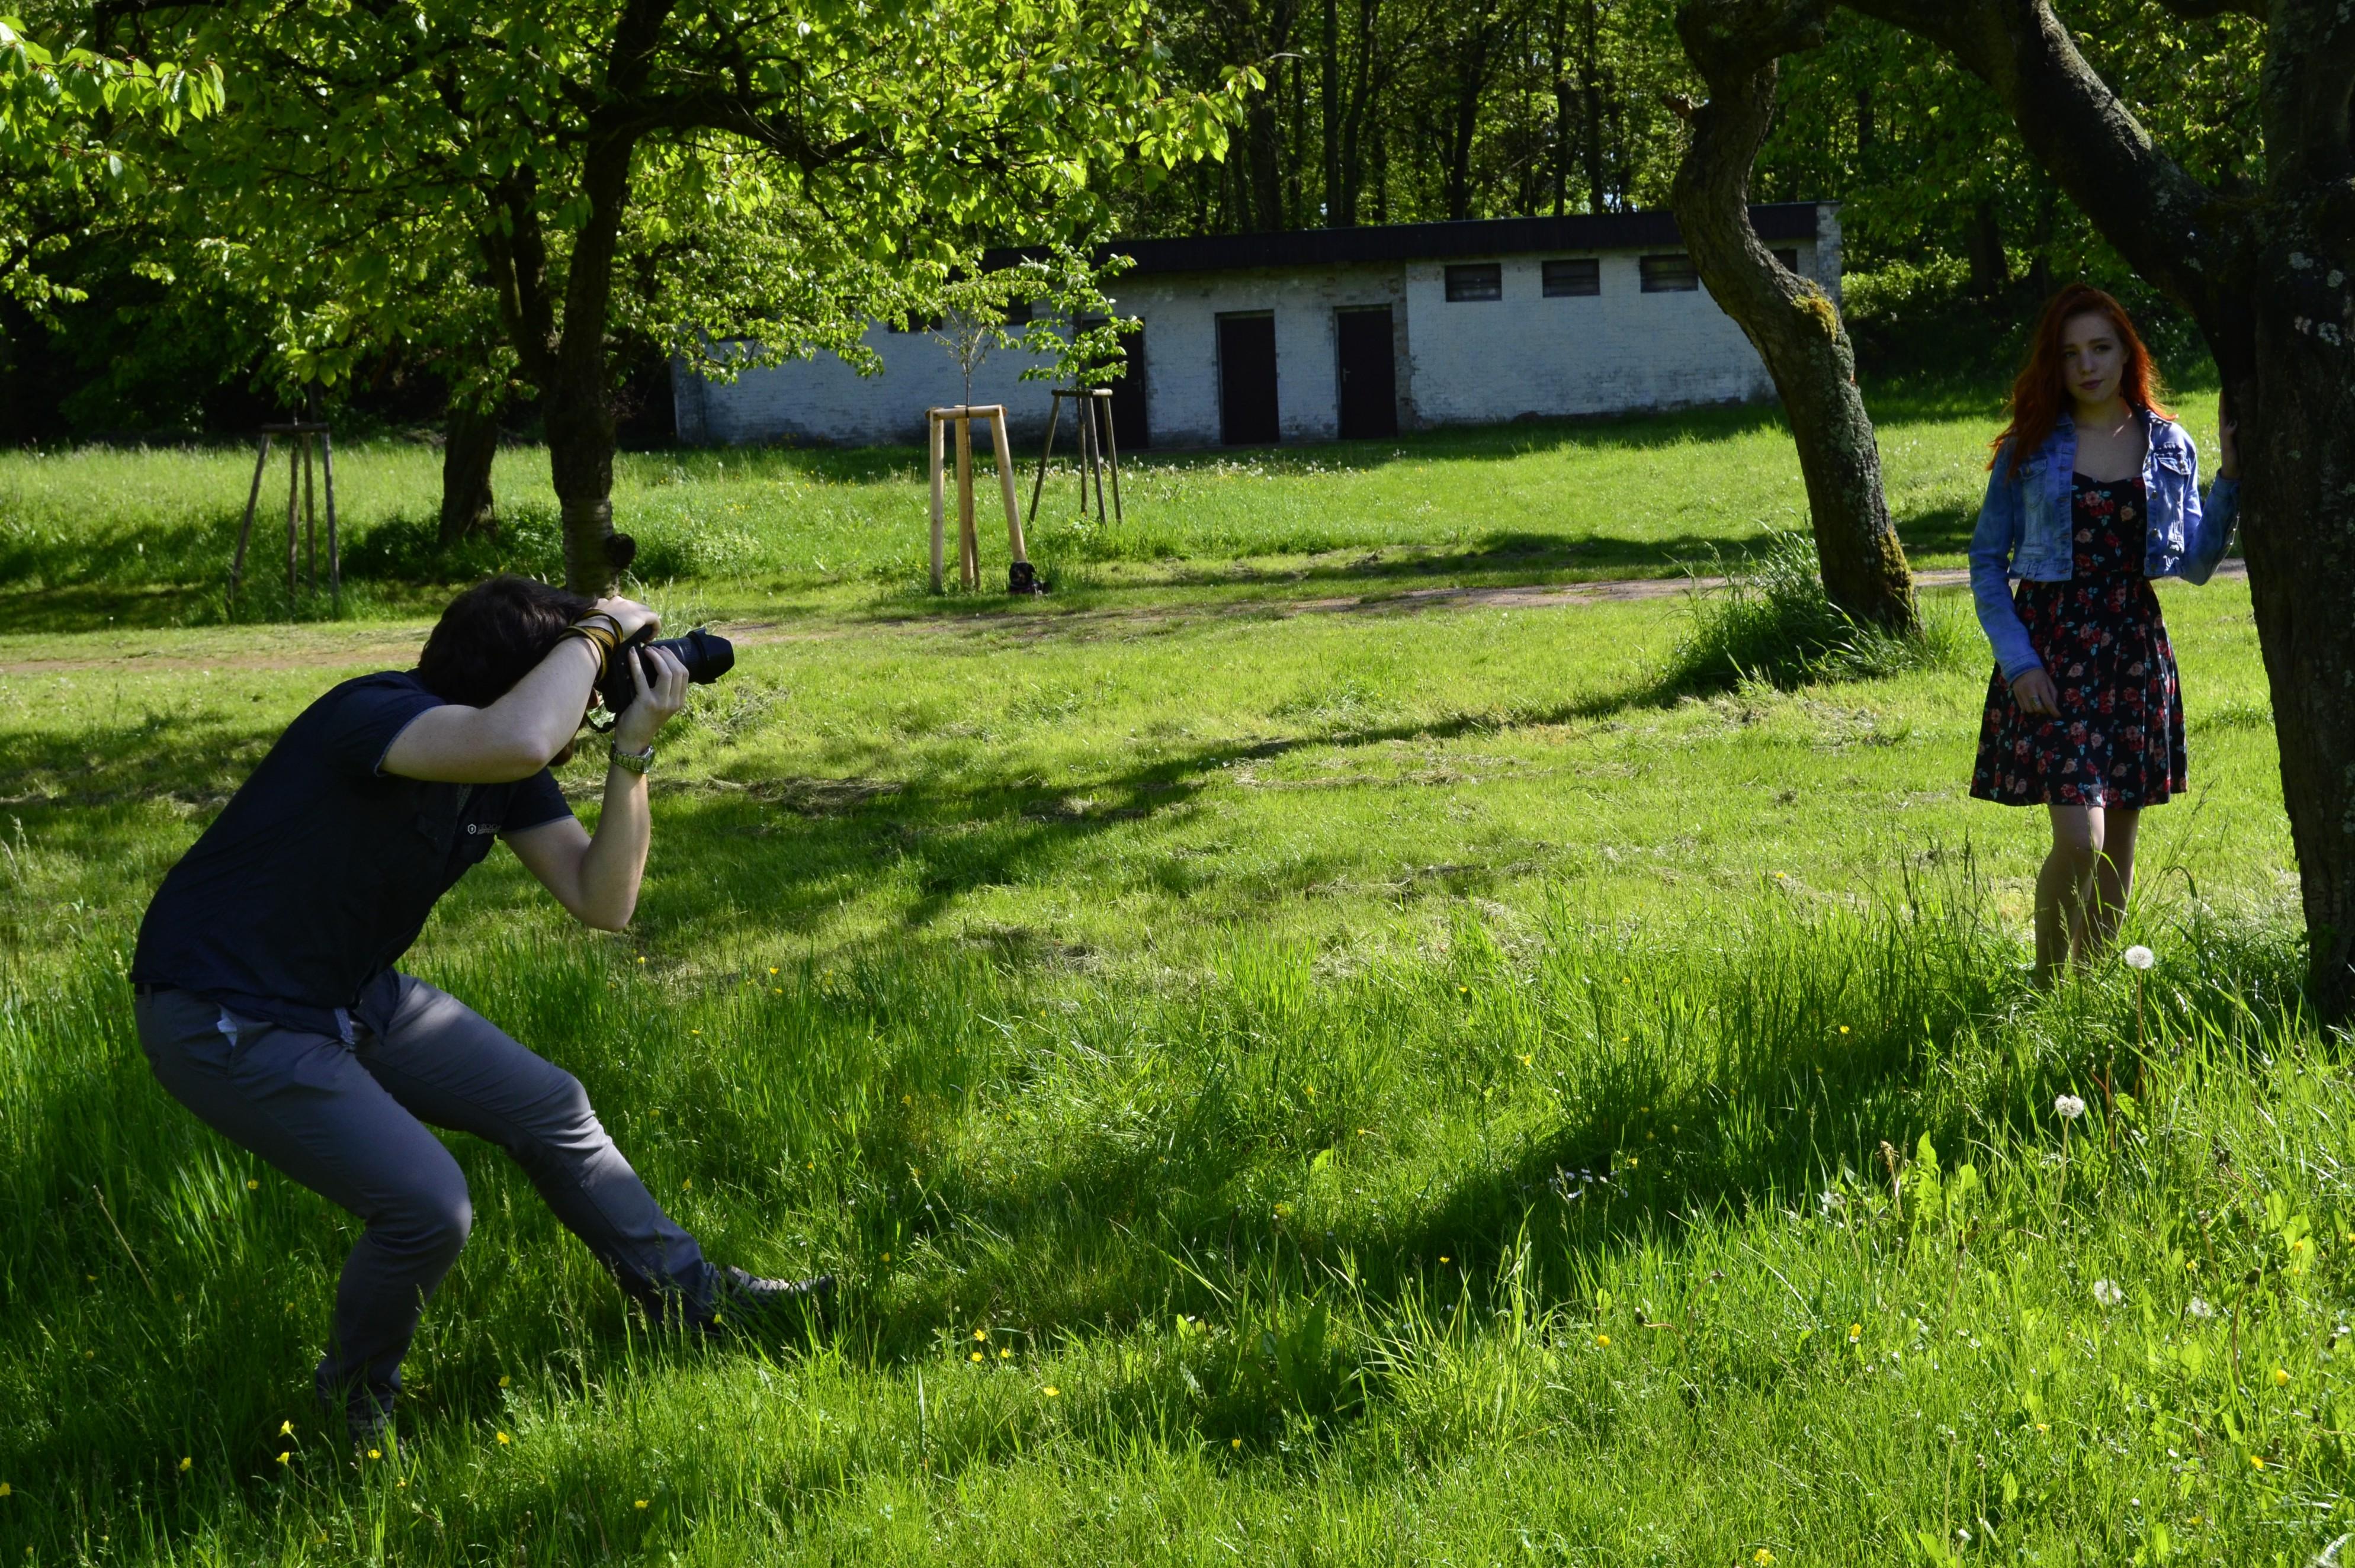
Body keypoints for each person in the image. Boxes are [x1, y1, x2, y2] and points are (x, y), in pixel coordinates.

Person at [129, 575, 826, 1442]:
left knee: (549, 1105)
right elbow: (523, 734)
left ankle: (694, 1302)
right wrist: (603, 628)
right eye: (584, 676)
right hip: (224, 1008)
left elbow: (604, 901)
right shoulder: (377, 713)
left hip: (345, 990)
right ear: (533, 675)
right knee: (427, 1208)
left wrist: (633, 750)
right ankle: (351, 1411)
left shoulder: (504, 768)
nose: (586, 704)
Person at [1968, 284, 2240, 983]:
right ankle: (2045, 981)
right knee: (2080, 839)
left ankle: (2089, 995)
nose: (2086, 365)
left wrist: (2231, 481)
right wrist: (2018, 661)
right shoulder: (2029, 446)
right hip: (2052, 652)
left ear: (2126, 353)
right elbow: (1984, 562)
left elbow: (2199, 565)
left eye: (2099, 348)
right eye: (2069, 354)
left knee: (2118, 839)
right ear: (2053, 366)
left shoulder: (2166, 442)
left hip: (2133, 651)